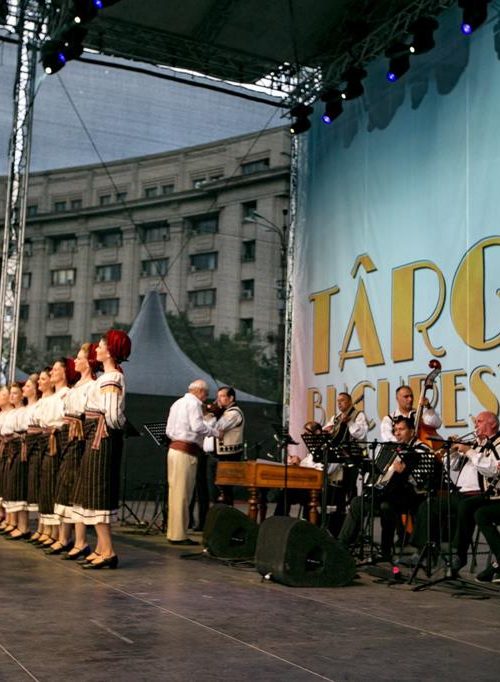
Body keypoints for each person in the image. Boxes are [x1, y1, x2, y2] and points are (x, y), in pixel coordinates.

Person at [72, 330, 131, 569]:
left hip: (102, 437)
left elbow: (113, 415)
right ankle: (101, 547)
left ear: (111, 350)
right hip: (97, 435)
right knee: (93, 490)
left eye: (101, 346)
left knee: (98, 491)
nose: (97, 349)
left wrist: (117, 426)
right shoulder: (107, 377)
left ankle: (108, 551)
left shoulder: (112, 378)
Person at [337, 416, 427, 560]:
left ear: (412, 431)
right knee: (357, 502)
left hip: (408, 497)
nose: (397, 433)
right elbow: (379, 471)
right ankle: (341, 547)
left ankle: (385, 551)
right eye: (395, 430)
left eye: (401, 429)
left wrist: (406, 471)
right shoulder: (392, 448)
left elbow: (423, 480)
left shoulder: (420, 449)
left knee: (386, 506)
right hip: (386, 495)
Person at [54, 343, 98, 559]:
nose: (76, 361)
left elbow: (86, 413)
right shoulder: (77, 386)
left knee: (77, 488)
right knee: (66, 484)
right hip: (69, 436)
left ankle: (81, 541)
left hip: (79, 436)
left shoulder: (92, 386)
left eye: (80, 358)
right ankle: (66, 537)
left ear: (88, 362)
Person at [165, 379, 221, 545]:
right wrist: (215, 432)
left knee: (174, 493)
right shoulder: (194, 404)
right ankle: (179, 535)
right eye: (206, 394)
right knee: (183, 494)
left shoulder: (177, 403)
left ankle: (173, 532)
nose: (206, 398)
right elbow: (197, 427)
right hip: (186, 451)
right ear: (200, 391)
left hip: (173, 450)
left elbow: (168, 431)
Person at [448, 411, 500, 578]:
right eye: (475, 422)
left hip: (491, 495)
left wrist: (469, 451)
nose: (475, 425)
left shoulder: (498, 443)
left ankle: (459, 555)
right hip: (478, 495)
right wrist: (454, 452)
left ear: (493, 424)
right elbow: (454, 467)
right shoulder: (477, 444)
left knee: (471, 508)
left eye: (480, 421)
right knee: (434, 504)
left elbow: (492, 469)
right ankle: (447, 552)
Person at [209, 386, 245, 507]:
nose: (218, 399)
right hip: (220, 456)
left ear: (231, 398)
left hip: (228, 456)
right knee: (218, 489)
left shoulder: (234, 413)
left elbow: (218, 427)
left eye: (222, 396)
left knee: (225, 489)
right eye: (218, 396)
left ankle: (227, 512)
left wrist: (214, 413)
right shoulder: (224, 412)